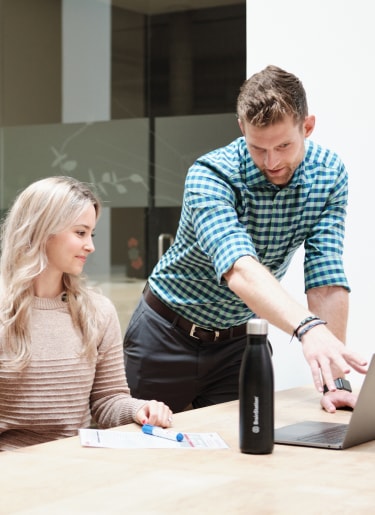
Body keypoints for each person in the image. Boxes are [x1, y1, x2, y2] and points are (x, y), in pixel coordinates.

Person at [124, 64, 367, 415]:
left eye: (284, 145)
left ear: (308, 127)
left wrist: (336, 381)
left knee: (243, 454)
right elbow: (238, 268)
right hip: (165, 333)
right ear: (242, 128)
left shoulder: (329, 174)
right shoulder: (211, 174)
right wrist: (307, 328)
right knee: (138, 452)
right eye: (258, 148)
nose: (271, 161)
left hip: (239, 343)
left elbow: (325, 277)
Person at [0, 176, 172, 452]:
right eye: (80, 233)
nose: (90, 246)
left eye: (91, 234)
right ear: (43, 231)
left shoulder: (98, 311)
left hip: (76, 466)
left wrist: (140, 409)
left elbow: (107, 401)